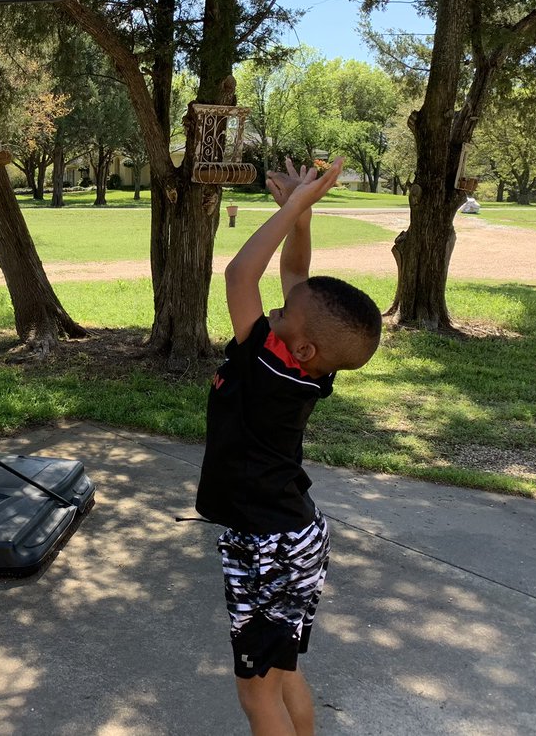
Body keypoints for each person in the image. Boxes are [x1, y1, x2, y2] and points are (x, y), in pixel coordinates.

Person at [196, 157, 382, 736]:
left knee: (257, 696)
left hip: (266, 544)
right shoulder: (306, 365)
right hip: (297, 536)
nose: (275, 308)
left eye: (282, 314)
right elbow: (297, 276)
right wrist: (296, 215)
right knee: (284, 674)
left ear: (299, 346)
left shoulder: (263, 363)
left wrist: (298, 204)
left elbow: (237, 276)